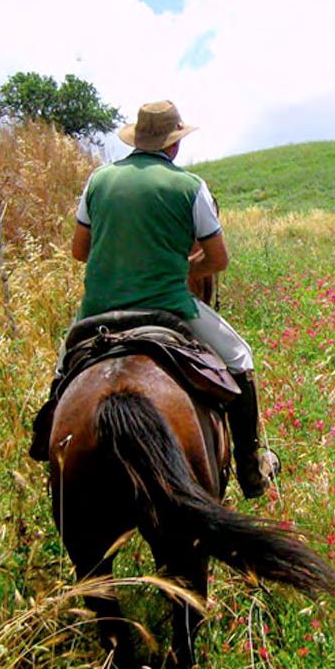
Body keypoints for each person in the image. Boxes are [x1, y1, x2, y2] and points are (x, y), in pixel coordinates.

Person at [67, 97, 278, 501]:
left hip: (98, 310)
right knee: (240, 359)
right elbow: (218, 259)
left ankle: (47, 442)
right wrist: (176, 270)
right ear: (174, 144)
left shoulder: (98, 180)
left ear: (136, 139)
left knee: (64, 373)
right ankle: (252, 467)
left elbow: (80, 251)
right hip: (168, 305)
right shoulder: (189, 186)